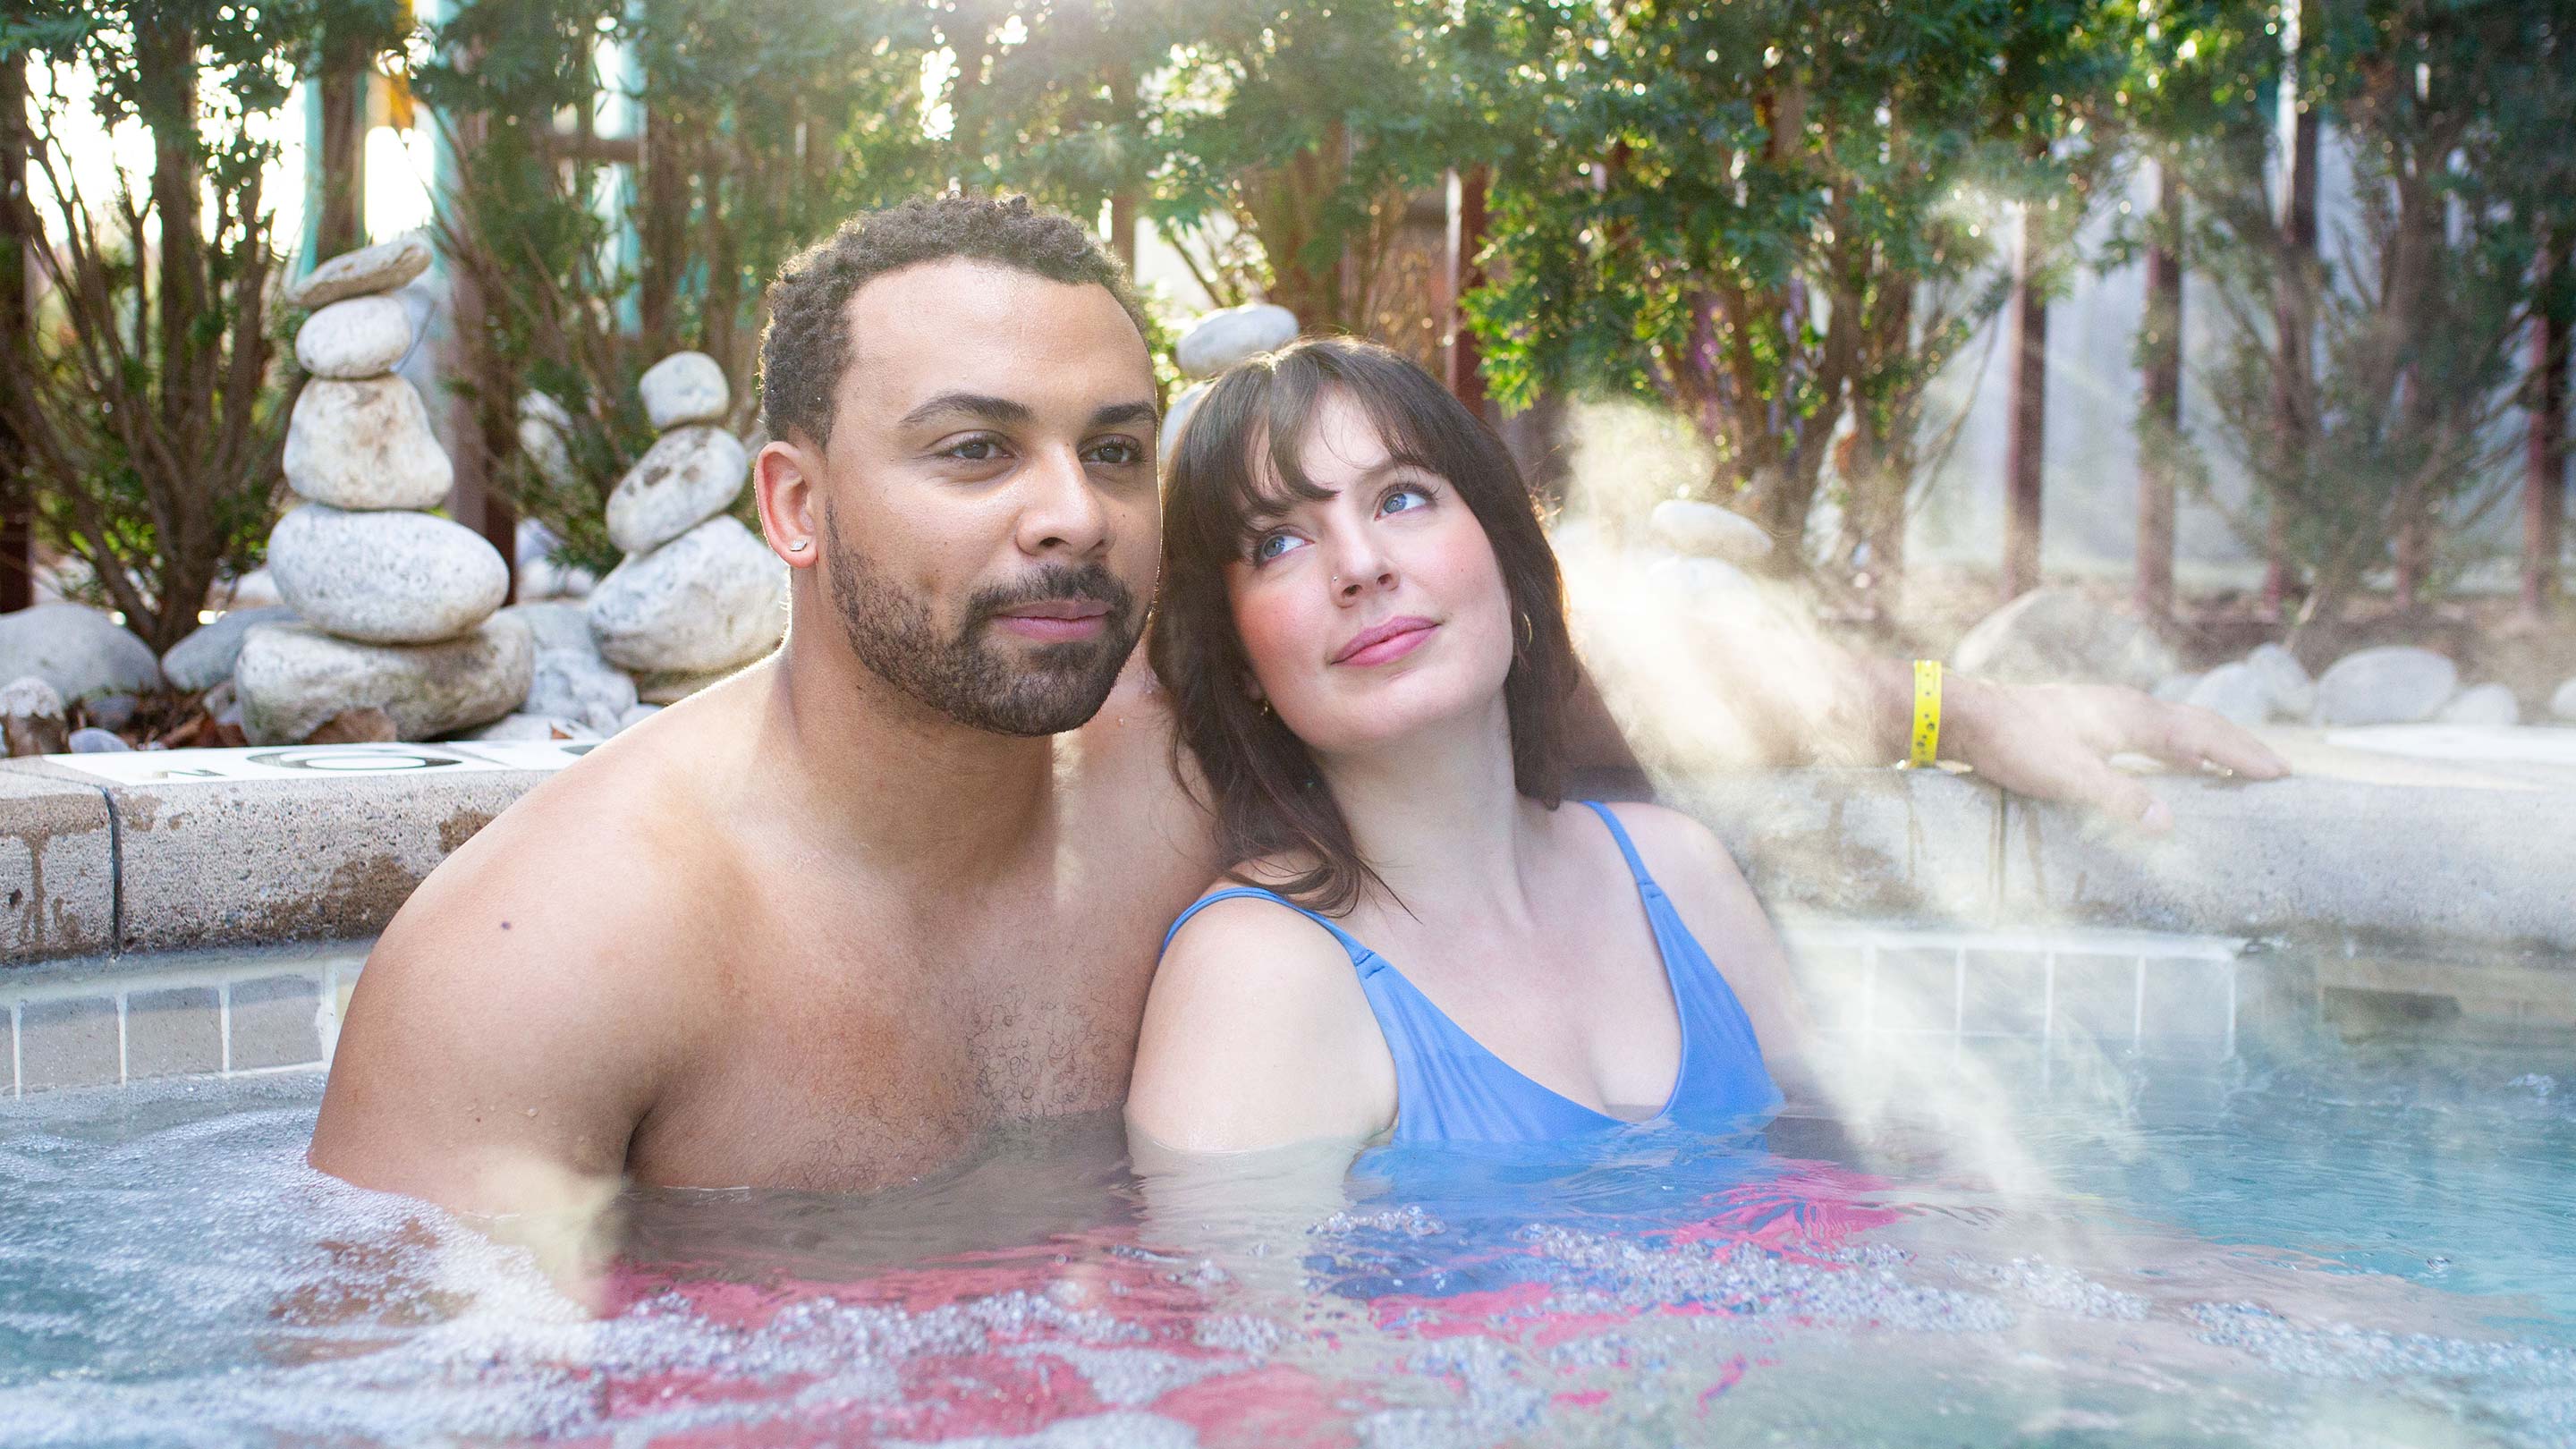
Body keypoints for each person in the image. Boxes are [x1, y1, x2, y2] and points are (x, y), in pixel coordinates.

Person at [308, 195, 2284, 1217]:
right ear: (796, 506)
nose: (1069, 514)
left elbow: (1529, 657)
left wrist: (1956, 712)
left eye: (1112, 448)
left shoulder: (1173, 741)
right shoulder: (555, 952)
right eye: (976, 451)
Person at [1128, 338, 1799, 1155]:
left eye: (1401, 498)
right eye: (1279, 543)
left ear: (1504, 552)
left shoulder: (1681, 874)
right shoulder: (1258, 976)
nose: (1361, 565)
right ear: (1238, 659)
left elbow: (1834, 1183)